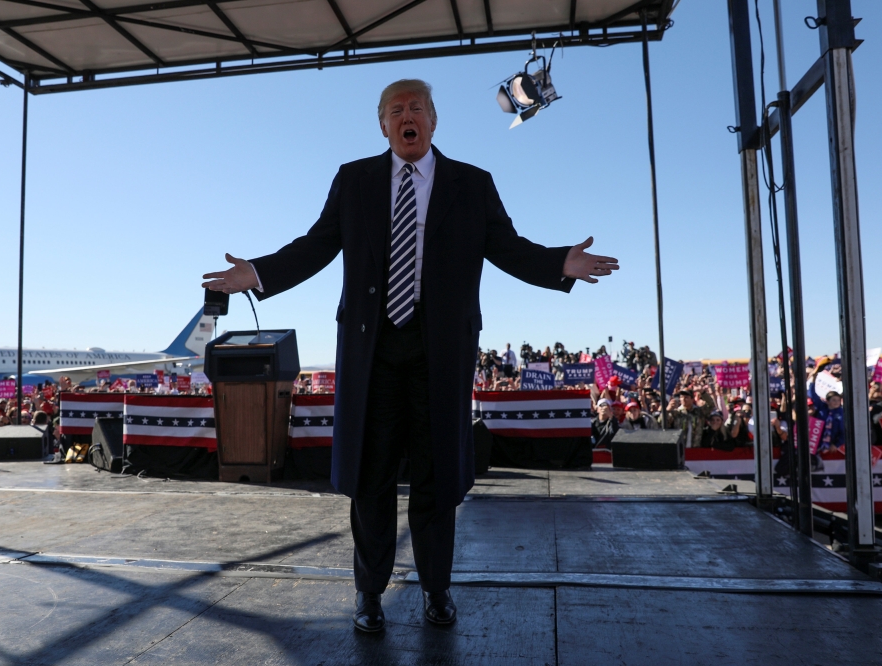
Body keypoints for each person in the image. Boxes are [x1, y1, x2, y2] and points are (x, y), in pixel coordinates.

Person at [202, 78, 619, 633]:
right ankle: (369, 594)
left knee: (436, 477)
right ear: (383, 125)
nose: (407, 116)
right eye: (396, 109)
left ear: (433, 119)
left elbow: (508, 248)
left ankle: (436, 590)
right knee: (371, 479)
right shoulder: (354, 181)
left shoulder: (471, 184)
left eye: (416, 107)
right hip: (372, 352)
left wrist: (557, 264)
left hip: (438, 353)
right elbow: (317, 244)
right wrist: (257, 273)